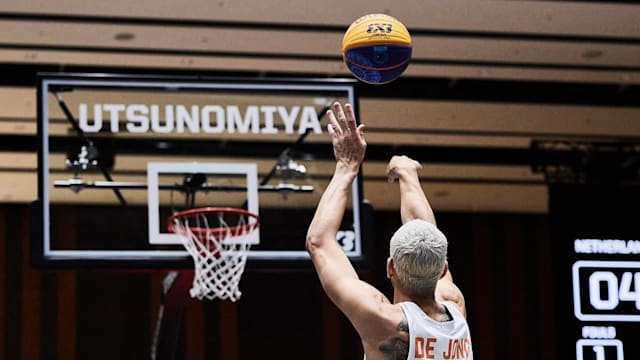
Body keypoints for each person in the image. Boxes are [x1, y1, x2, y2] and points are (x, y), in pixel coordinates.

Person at [306, 102, 473, 360]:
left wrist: (346, 166)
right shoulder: (455, 307)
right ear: (443, 269)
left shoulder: (384, 320)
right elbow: (426, 236)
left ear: (390, 267)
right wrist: (408, 176)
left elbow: (319, 242)